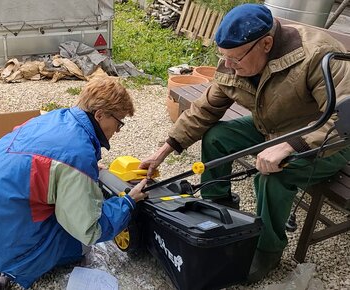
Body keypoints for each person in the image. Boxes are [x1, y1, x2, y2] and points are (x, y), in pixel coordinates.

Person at [140, 3, 350, 283]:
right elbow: (206, 109)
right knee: (217, 137)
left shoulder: (319, 54)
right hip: (272, 127)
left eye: (235, 60)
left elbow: (345, 120)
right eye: (224, 57)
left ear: (266, 44)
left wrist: (290, 146)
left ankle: (267, 249)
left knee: (276, 173)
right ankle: (218, 207)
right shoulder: (233, 58)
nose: (228, 65)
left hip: (327, 140)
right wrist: (165, 149)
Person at [0, 76, 148, 290]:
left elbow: (42, 162)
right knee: (81, 244)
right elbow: (88, 229)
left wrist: (86, 170)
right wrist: (127, 203)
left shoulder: (55, 118)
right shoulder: (77, 156)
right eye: (119, 122)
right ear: (100, 115)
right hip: (1, 235)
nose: (119, 129)